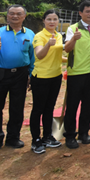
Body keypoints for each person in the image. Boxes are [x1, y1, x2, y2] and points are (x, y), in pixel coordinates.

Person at [0, 5, 35, 153]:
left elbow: (32, 56)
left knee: (17, 107)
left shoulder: (29, 33)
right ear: (7, 16)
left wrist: (31, 74)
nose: (15, 16)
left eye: (18, 14)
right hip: (1, 74)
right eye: (11, 14)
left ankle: (13, 137)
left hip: (20, 74)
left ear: (24, 16)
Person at [63, 0, 90, 149]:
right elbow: (67, 49)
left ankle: (84, 133)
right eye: (87, 11)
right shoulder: (73, 29)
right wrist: (74, 39)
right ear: (80, 13)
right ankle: (70, 136)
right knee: (72, 106)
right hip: (76, 73)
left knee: (88, 105)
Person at [30, 10, 64, 154]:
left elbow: (57, 56)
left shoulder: (58, 35)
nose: (52, 22)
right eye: (49, 19)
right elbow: (40, 55)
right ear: (43, 21)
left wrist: (71, 60)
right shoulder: (39, 36)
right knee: (38, 109)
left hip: (56, 76)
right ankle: (36, 140)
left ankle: (47, 136)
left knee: (50, 108)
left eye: (55, 19)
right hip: (41, 77)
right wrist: (48, 44)